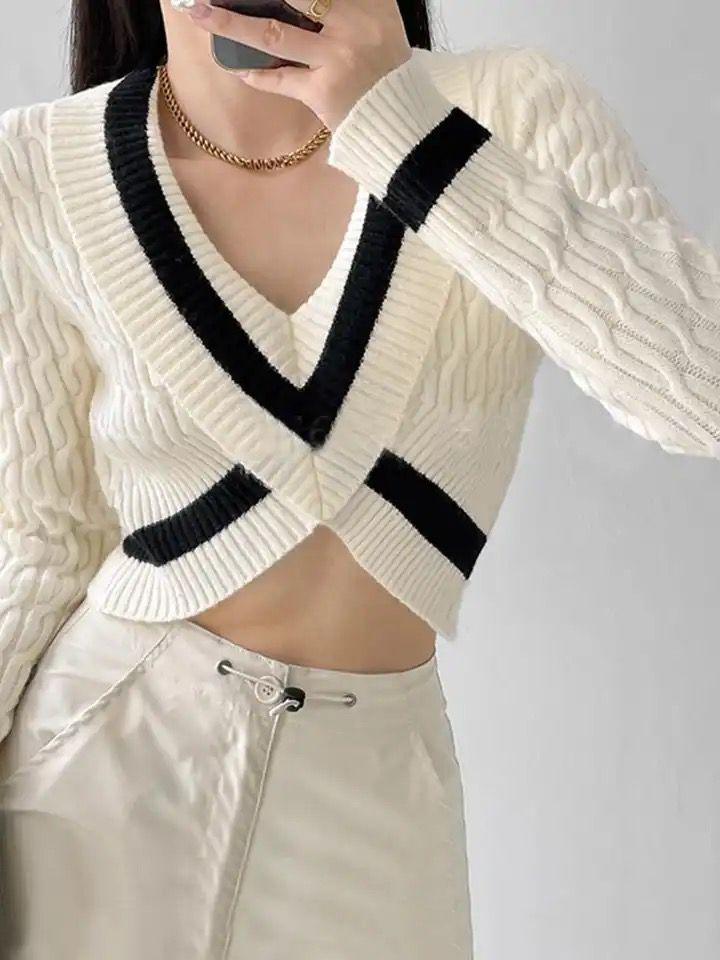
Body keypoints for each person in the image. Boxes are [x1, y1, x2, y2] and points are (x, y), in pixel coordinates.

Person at [0, 0, 717, 957]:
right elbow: (37, 541)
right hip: (98, 773)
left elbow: (702, 394)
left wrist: (403, 130)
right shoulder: (35, 166)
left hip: (378, 795)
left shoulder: (508, 106)